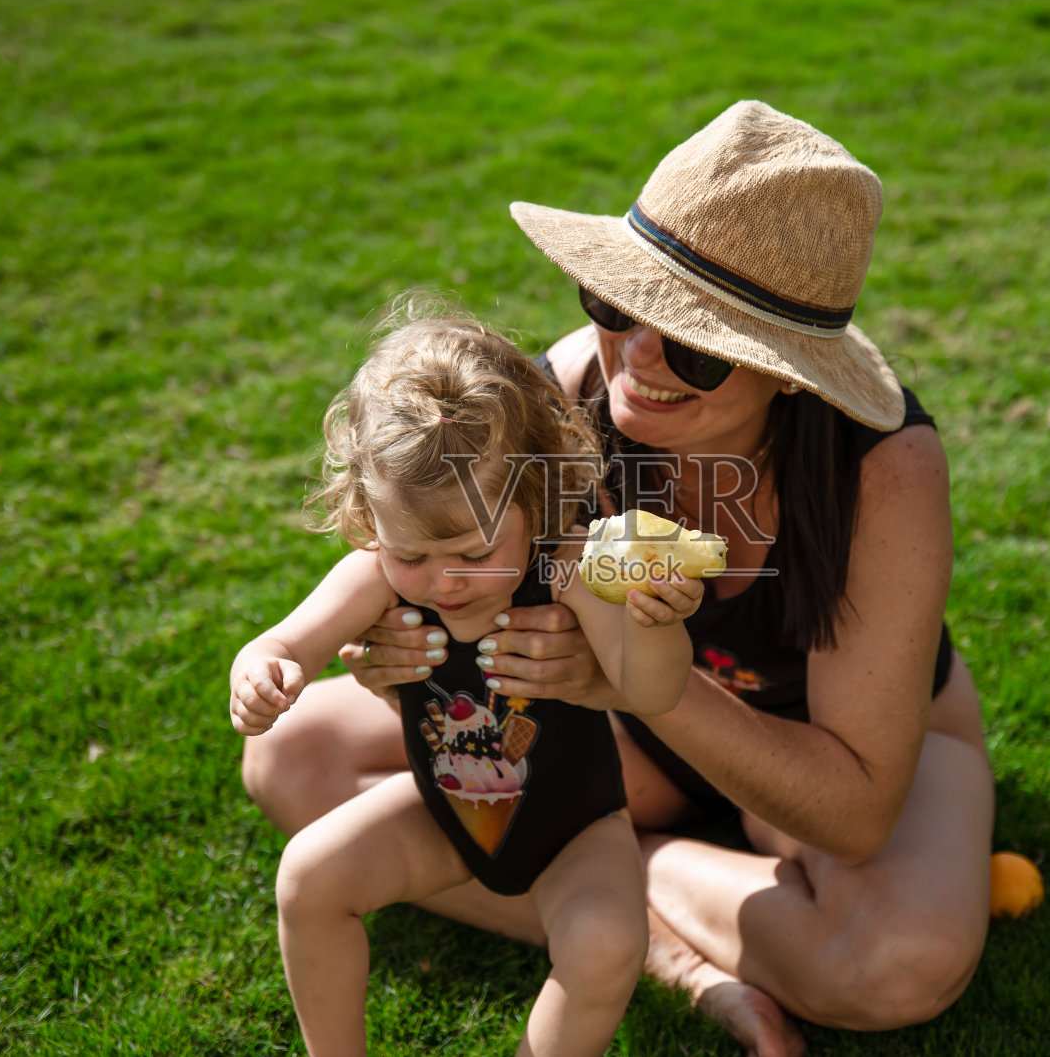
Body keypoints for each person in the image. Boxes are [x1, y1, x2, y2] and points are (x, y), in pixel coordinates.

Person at [242, 101, 994, 1057]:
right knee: (292, 757)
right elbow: (426, 556)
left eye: (694, 345)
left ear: (789, 370)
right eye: (619, 304)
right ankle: (657, 940)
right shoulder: (562, 404)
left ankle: (614, 874)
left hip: (824, 751)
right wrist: (398, 655)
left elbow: (855, 815)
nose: (637, 356)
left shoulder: (881, 469)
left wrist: (617, 684)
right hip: (622, 743)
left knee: (897, 961)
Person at [229, 311, 707, 1057]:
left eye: (476, 552)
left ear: (535, 500)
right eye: (411, 555)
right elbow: (284, 642)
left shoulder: (568, 566)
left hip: (576, 827)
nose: (443, 580)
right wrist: (263, 671)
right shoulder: (375, 573)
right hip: (444, 811)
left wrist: (655, 621)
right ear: (370, 520)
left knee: (606, 945)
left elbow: (651, 692)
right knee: (308, 879)